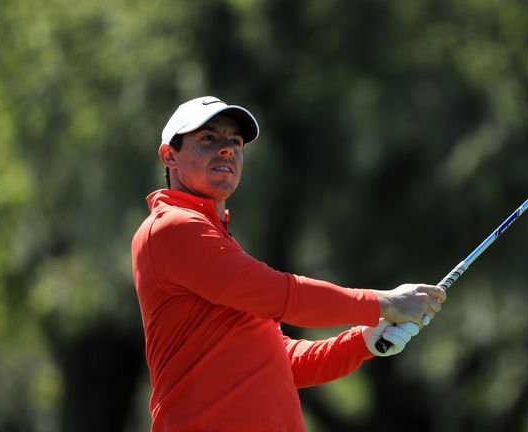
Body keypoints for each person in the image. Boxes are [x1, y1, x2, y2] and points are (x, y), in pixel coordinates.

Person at [131, 96, 446, 431]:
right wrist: (384, 303)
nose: (226, 149)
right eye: (208, 138)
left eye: (235, 141)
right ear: (169, 156)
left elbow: (282, 361)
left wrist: (364, 340)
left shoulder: (215, 238)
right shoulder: (172, 228)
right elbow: (282, 296)